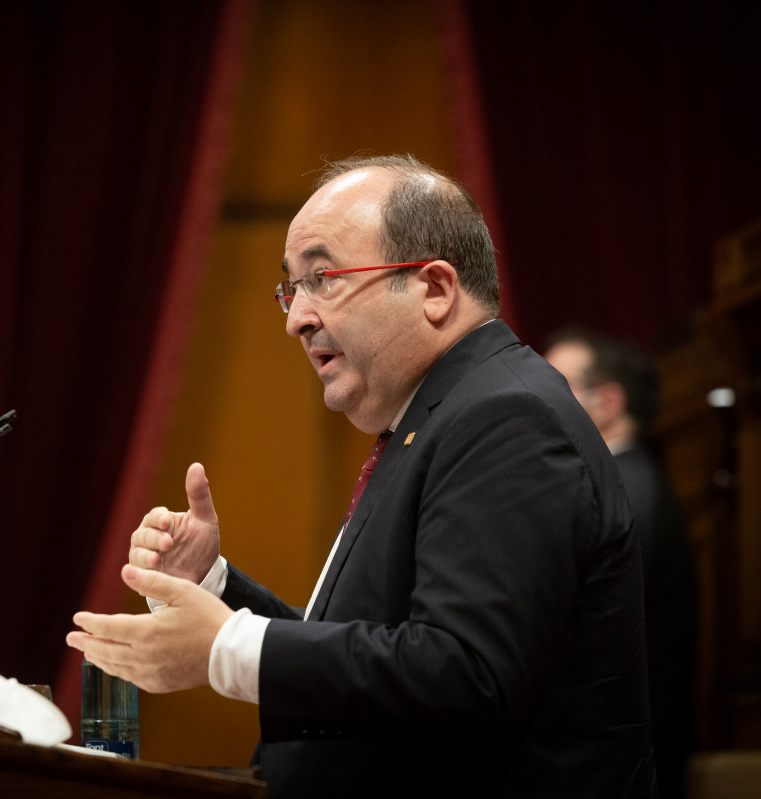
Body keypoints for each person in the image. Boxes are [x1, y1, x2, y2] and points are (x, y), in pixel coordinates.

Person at [67, 154, 655, 797]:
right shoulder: (437, 416)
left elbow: (465, 673)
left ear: (434, 288)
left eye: (324, 278)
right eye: (292, 288)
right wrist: (213, 587)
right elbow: (374, 654)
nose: (296, 318)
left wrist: (228, 647)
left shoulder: (506, 418)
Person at [544, 328, 697, 799]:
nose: (533, 401)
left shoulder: (621, 491)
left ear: (606, 403)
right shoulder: (626, 483)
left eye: (553, 386)